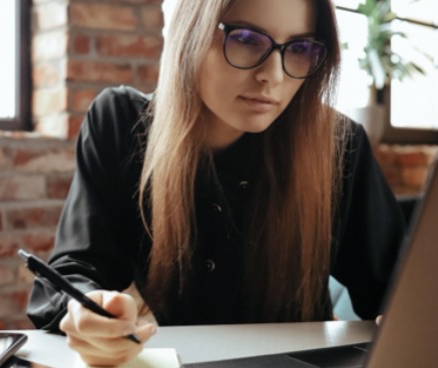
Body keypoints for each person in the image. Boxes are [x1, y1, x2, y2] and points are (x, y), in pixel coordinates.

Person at [26, 0, 406, 366]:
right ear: (191, 33)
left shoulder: (338, 145)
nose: (273, 75)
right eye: (245, 39)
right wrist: (88, 310)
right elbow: (75, 267)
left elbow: (402, 290)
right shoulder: (122, 124)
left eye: (300, 47)